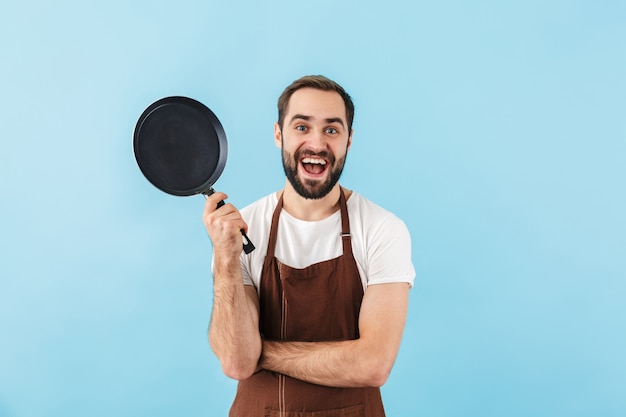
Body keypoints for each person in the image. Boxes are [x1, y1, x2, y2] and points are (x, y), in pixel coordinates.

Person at [203, 75, 415, 416]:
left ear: (349, 140)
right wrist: (225, 258)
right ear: (279, 135)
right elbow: (237, 362)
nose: (316, 143)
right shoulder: (241, 231)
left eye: (332, 130)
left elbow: (374, 364)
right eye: (302, 127)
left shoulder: (382, 229)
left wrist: (262, 352)